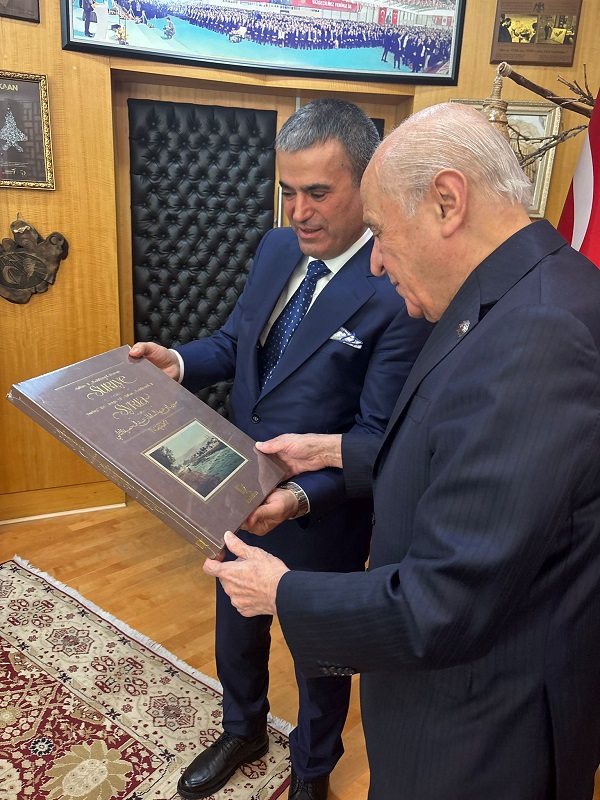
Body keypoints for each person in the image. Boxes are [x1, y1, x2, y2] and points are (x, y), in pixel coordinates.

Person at [205, 102, 600, 800]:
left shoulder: (537, 331)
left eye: (383, 232)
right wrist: (332, 452)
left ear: (447, 202)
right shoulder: (524, 291)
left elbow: (443, 600)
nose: (378, 260)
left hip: (479, 729)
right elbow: (468, 462)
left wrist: (281, 592)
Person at [129, 98, 432, 800]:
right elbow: (238, 344)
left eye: (318, 192)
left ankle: (312, 770)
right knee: (235, 620)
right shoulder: (275, 247)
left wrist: (296, 497)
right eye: (288, 191)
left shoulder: (397, 288)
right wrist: (178, 361)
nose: (299, 212)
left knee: (319, 653)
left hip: (322, 510)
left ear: (368, 184)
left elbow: (378, 438)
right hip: (237, 482)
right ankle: (242, 728)